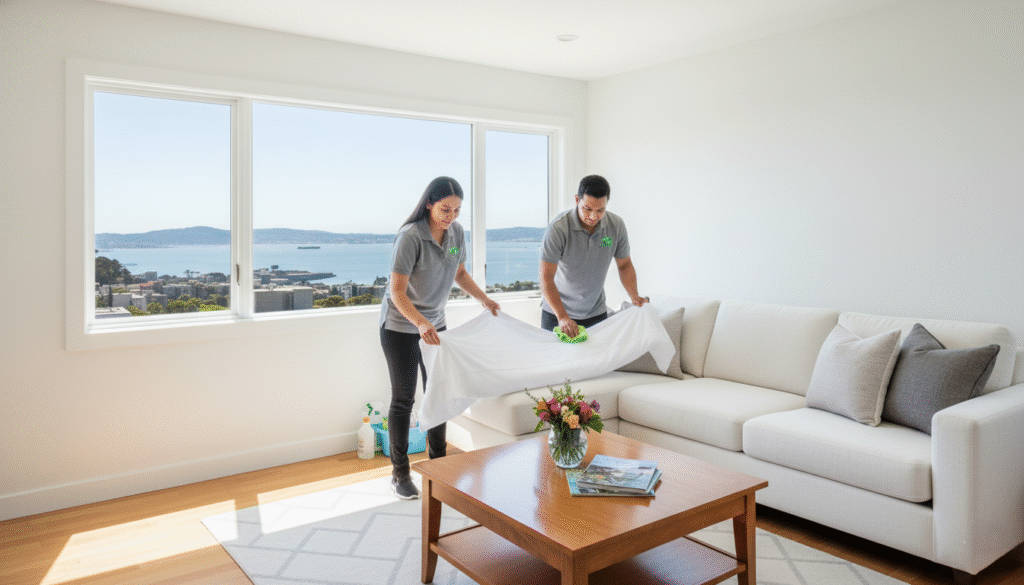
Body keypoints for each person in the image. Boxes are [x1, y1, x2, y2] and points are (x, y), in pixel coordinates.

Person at [378, 176, 500, 500]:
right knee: (403, 399)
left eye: (457, 211)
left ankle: (440, 466)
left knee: (439, 394)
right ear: (430, 204)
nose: (451, 216)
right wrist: (420, 323)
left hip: (435, 325)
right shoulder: (410, 236)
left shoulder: (456, 233)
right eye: (445, 209)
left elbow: (459, 272)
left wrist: (484, 299)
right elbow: (397, 292)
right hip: (401, 326)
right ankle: (400, 474)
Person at [539, 174, 646, 337]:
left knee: (599, 354)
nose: (593, 216)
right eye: (587, 209)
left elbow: (624, 265)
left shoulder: (616, 226)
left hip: (596, 313)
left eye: (600, 210)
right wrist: (562, 317)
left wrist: (634, 296)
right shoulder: (558, 229)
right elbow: (546, 277)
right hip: (557, 313)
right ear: (577, 200)